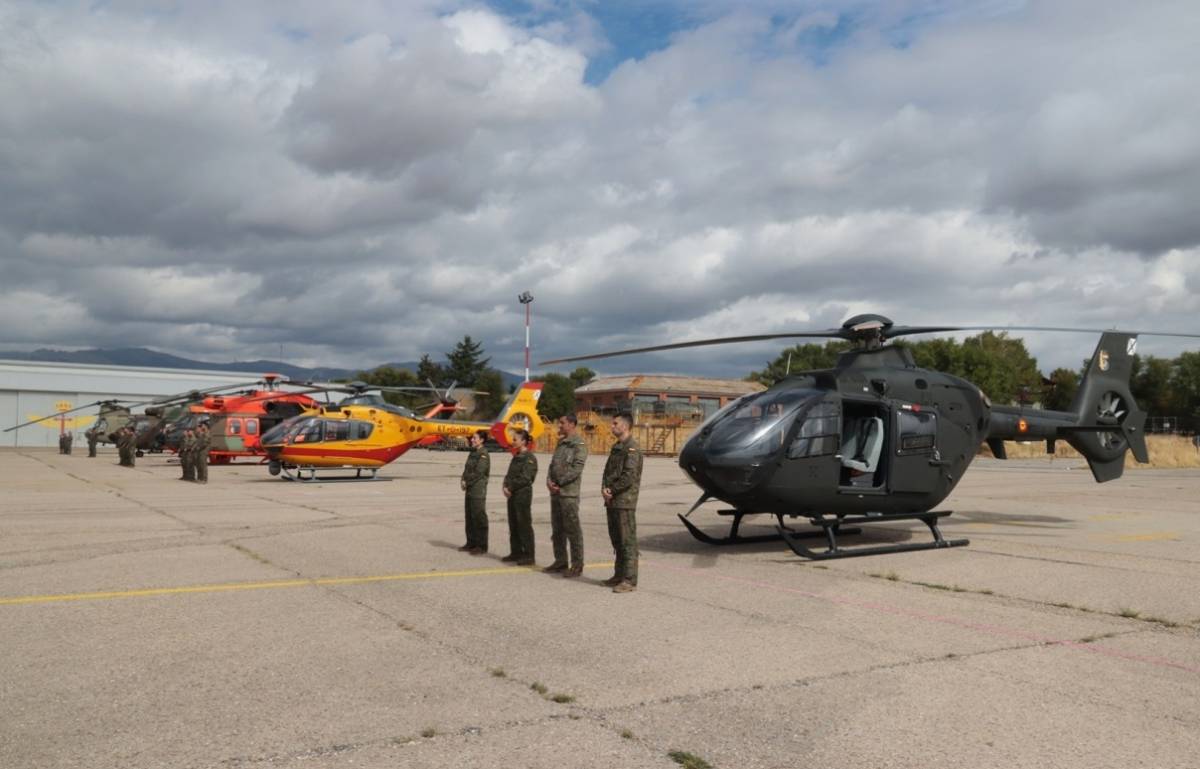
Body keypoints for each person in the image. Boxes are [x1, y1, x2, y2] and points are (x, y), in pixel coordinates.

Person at [602, 412, 643, 594]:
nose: (612, 426)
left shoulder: (632, 448)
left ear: (625, 426)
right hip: (612, 500)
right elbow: (608, 471)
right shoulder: (617, 447)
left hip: (625, 501)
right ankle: (618, 575)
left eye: (615, 423)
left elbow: (629, 476)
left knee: (627, 542)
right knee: (617, 540)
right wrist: (604, 489)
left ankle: (629, 580)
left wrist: (611, 490)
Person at [545, 414, 588, 577]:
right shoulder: (561, 443)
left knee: (573, 530)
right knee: (557, 529)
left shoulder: (579, 445)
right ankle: (560, 561)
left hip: (568, 494)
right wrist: (549, 481)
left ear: (571, 424)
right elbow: (552, 465)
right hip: (556, 493)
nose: (559, 425)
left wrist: (559, 483)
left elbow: (577, 469)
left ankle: (577, 565)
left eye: (562, 423)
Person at [501, 428, 538, 566]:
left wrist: (510, 487)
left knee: (524, 525)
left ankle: (529, 555)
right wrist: (505, 486)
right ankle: (515, 552)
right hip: (512, 495)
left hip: (522, 495)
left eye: (515, 439)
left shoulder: (529, 458)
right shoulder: (516, 456)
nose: (513, 441)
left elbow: (526, 478)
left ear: (523, 441)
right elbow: (509, 474)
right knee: (514, 524)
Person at [459, 430, 490, 554]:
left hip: (477, 490)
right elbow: (467, 469)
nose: (472, 440)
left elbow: (479, 472)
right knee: (469, 517)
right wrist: (462, 479)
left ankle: (481, 546)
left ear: (481, 440)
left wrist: (467, 482)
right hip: (470, 489)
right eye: (472, 438)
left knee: (478, 517)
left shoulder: (483, 454)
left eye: (475, 438)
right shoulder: (473, 453)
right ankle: (471, 543)